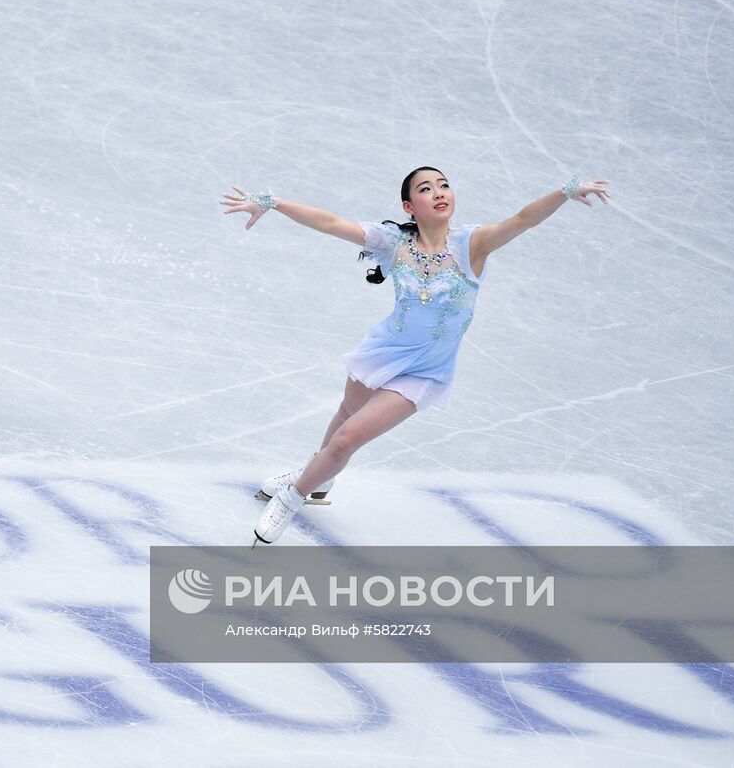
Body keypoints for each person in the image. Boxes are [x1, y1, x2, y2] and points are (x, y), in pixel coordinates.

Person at [219, 167, 611, 546]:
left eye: (443, 185)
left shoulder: (472, 245)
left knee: (345, 440)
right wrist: (272, 202)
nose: (439, 192)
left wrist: (564, 192)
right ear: (409, 206)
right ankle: (317, 477)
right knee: (344, 415)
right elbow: (330, 222)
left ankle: (292, 498)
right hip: (384, 350)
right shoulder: (393, 243)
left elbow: (524, 218)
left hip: (424, 372)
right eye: (426, 189)